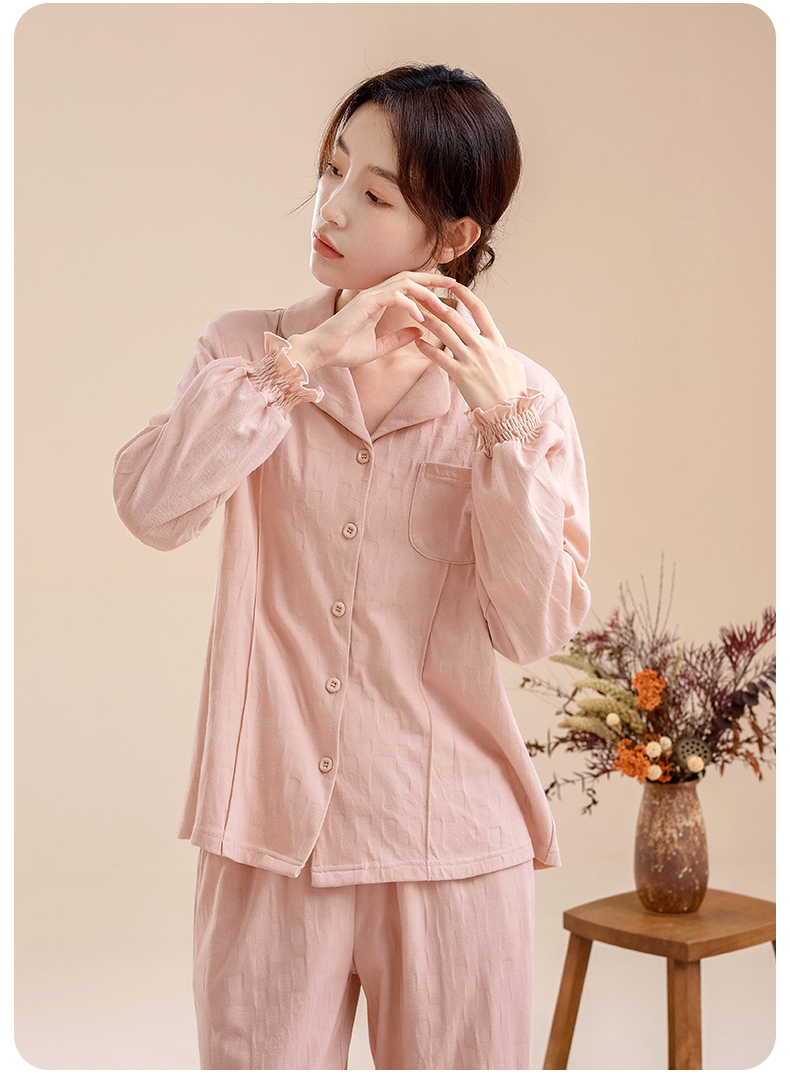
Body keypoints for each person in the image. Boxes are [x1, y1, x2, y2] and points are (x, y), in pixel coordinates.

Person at [113, 63, 591, 1071]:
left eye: (374, 194)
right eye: (333, 168)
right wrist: (303, 363)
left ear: (452, 238)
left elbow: (534, 627)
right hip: (266, 829)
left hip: (452, 841)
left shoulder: (523, 402)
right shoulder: (247, 352)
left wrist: (502, 430)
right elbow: (152, 506)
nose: (329, 206)